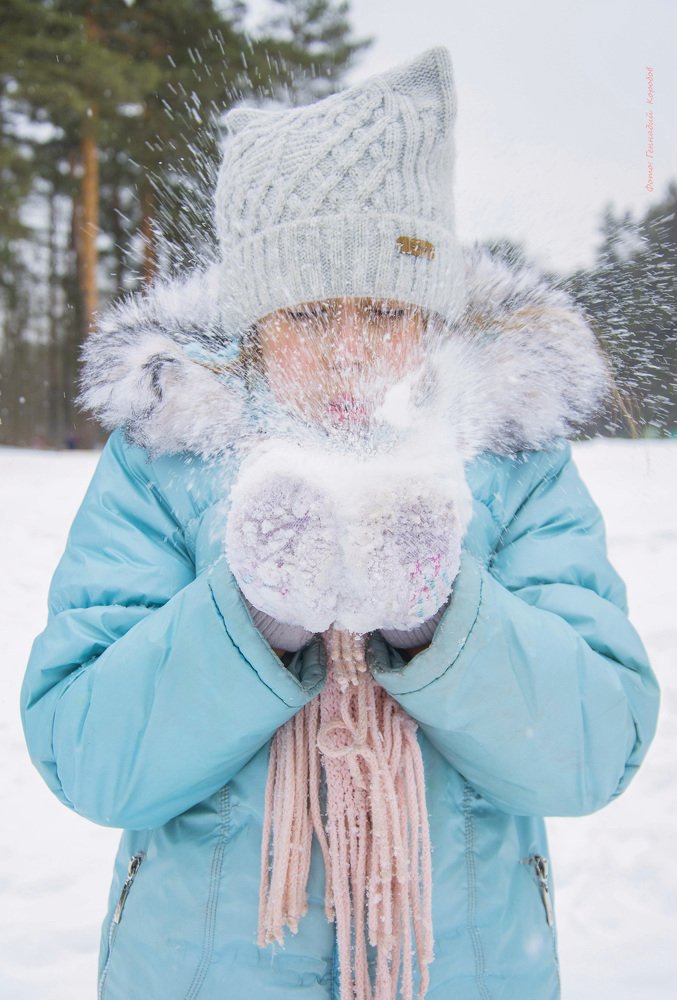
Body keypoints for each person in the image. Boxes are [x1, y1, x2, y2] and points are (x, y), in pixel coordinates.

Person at [20, 47, 659, 1000]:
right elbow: (89, 758)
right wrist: (255, 619)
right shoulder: (167, 463)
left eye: (388, 310)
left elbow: (590, 755)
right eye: (313, 314)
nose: (353, 350)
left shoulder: (511, 462)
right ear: (255, 325)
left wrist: (439, 619)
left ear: (433, 315)